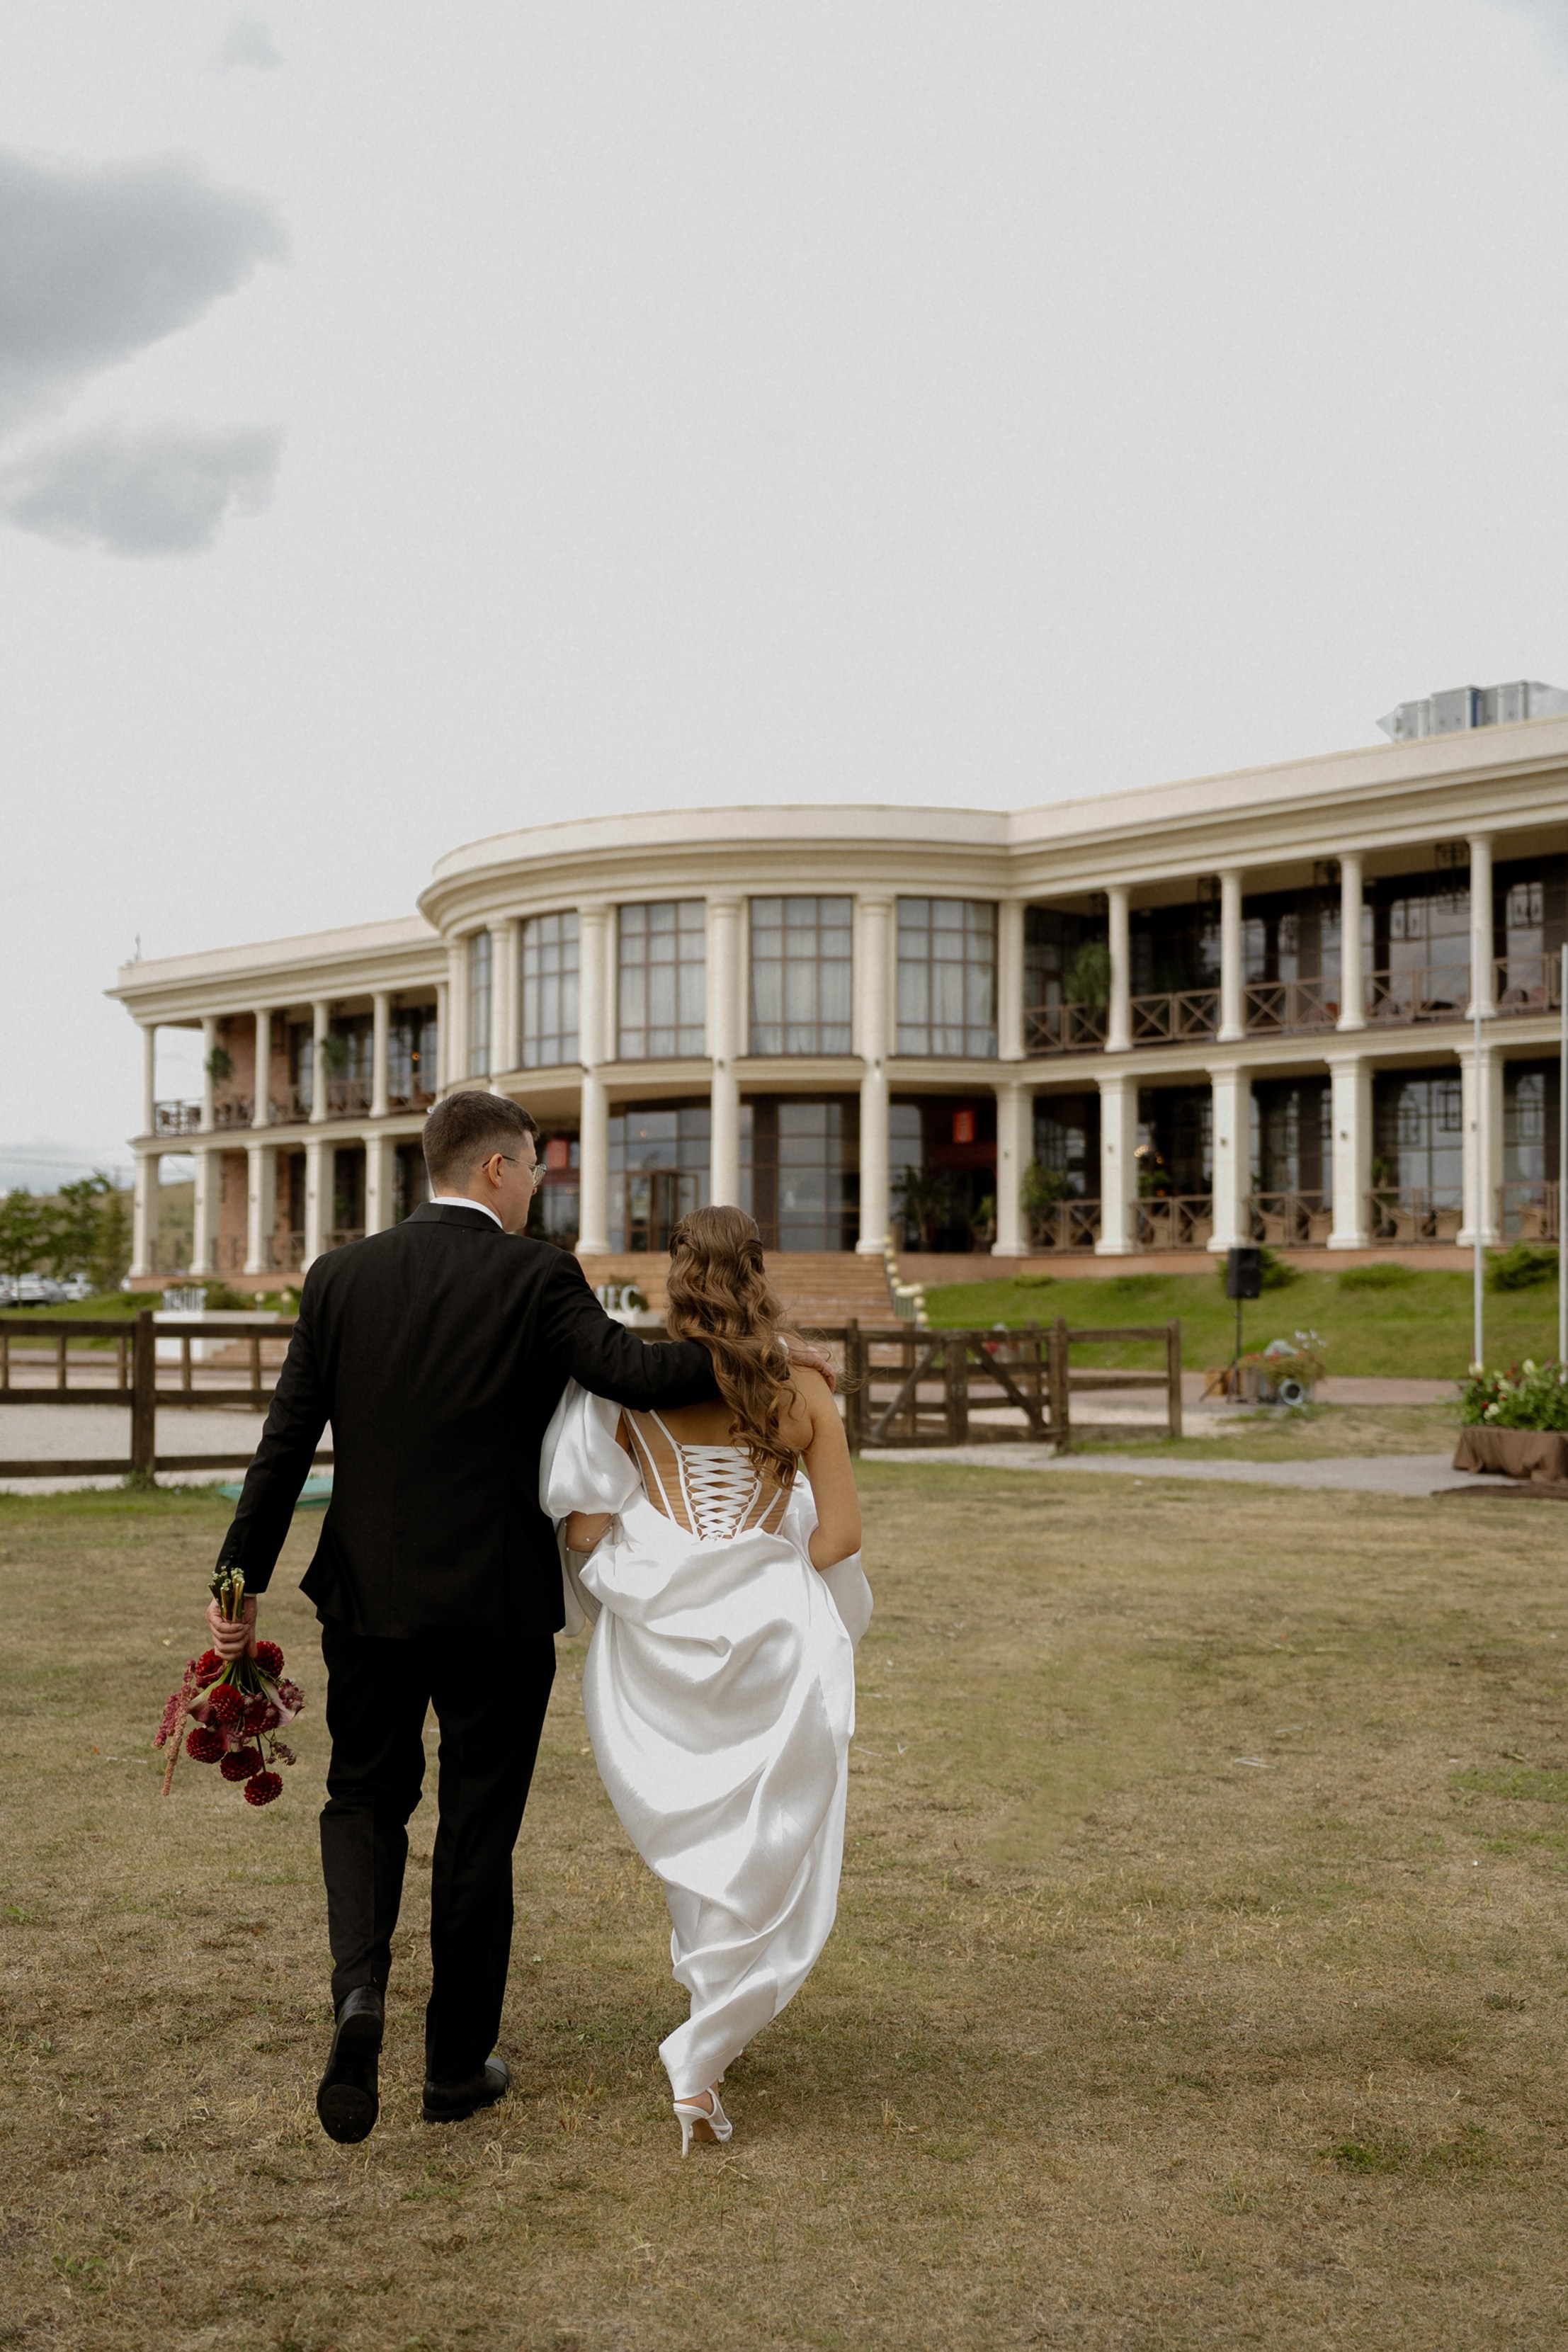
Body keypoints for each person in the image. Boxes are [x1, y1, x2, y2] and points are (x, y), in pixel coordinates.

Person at [204, 1093, 758, 2145]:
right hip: (496, 1605)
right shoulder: (535, 1272)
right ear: (497, 1168)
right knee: (475, 1831)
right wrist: (753, 1357)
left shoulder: (341, 1276)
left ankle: (359, 1997)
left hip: (364, 1595)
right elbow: (629, 1371)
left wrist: (238, 1583)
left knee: (363, 1799)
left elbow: (284, 1445)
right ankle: (454, 2068)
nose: (542, 1184)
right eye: (537, 1168)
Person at [541, 1204, 871, 2155]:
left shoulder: (626, 1391)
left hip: (668, 1633)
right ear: (759, 1271)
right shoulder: (802, 1386)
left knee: (702, 1824)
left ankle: (707, 2023)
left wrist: (662, 1560)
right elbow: (840, 1535)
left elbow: (587, 1530)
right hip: (775, 1632)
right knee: (772, 1830)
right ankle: (708, 2042)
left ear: (676, 1276)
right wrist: (768, 1567)